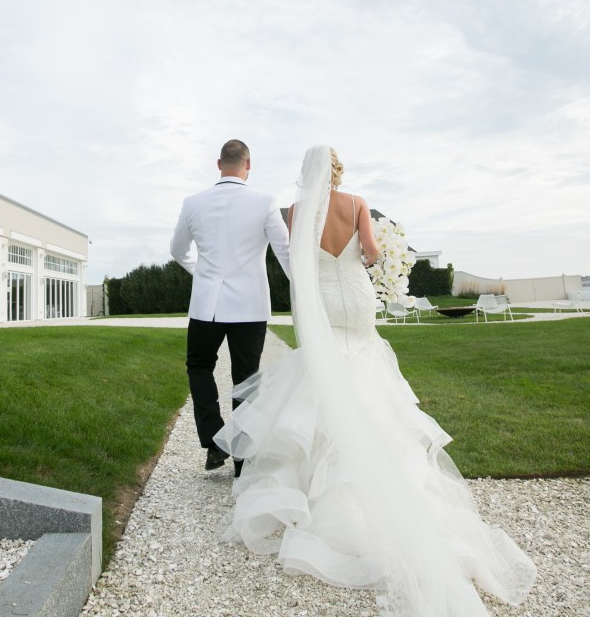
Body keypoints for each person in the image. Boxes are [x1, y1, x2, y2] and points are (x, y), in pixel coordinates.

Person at [215, 146, 536, 617]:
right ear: (338, 171)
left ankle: (313, 487)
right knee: (364, 367)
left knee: (321, 376)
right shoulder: (358, 203)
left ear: (306, 175)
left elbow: (296, 260)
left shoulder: (296, 211)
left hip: (321, 299)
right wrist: (374, 255)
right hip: (356, 297)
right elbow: (370, 252)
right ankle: (375, 464)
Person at [171, 139, 292, 473]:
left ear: (218, 163)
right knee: (246, 377)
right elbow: (285, 251)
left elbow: (178, 249)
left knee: (199, 366)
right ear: (248, 165)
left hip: (206, 305)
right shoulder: (265, 202)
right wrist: (308, 287)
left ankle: (213, 441)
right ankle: (242, 460)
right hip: (250, 306)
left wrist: (202, 272)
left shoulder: (193, 202)